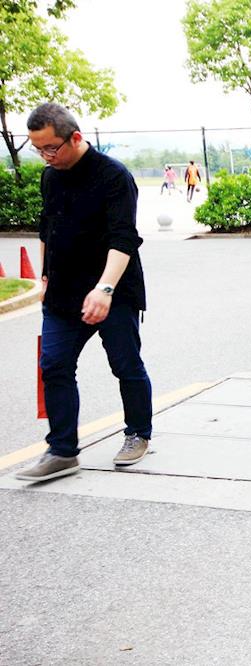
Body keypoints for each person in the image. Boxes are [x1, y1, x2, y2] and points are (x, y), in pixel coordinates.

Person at [16, 103, 153, 483]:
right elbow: (47, 228)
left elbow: (123, 238)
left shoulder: (113, 176)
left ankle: (138, 433)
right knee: (54, 366)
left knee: (125, 364)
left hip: (114, 291)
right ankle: (62, 451)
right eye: (38, 149)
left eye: (50, 148)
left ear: (75, 138)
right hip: (63, 293)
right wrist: (45, 278)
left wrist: (104, 288)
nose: (45, 157)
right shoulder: (50, 176)